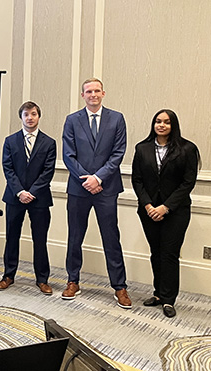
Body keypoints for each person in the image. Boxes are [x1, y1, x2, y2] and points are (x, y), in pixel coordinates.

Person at [61, 78, 132, 308]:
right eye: (88, 91)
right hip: (79, 189)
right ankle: (73, 281)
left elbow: (118, 152)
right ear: (82, 95)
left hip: (106, 188)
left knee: (111, 238)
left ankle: (119, 287)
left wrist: (98, 178)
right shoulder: (72, 120)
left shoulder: (117, 119)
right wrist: (87, 180)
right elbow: (68, 155)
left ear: (103, 93)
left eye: (96, 91)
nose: (93, 94)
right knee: (75, 237)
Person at [131, 109, 200, 318]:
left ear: (173, 125)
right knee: (156, 252)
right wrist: (149, 206)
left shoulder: (187, 149)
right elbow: (137, 180)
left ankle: (169, 300)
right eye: (158, 121)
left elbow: (188, 183)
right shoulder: (142, 149)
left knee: (169, 254)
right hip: (148, 210)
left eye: (167, 122)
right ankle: (159, 294)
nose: (162, 125)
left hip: (176, 211)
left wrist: (165, 207)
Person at [0, 101, 56, 295]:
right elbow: (8, 169)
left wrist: (32, 192)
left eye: (33, 114)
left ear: (39, 117)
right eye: (26, 114)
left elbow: (48, 172)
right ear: (20, 117)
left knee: (40, 239)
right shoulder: (10, 141)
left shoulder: (49, 142)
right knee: (11, 237)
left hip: (39, 199)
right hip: (15, 198)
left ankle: (42, 279)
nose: (30, 118)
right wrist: (20, 192)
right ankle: (8, 276)